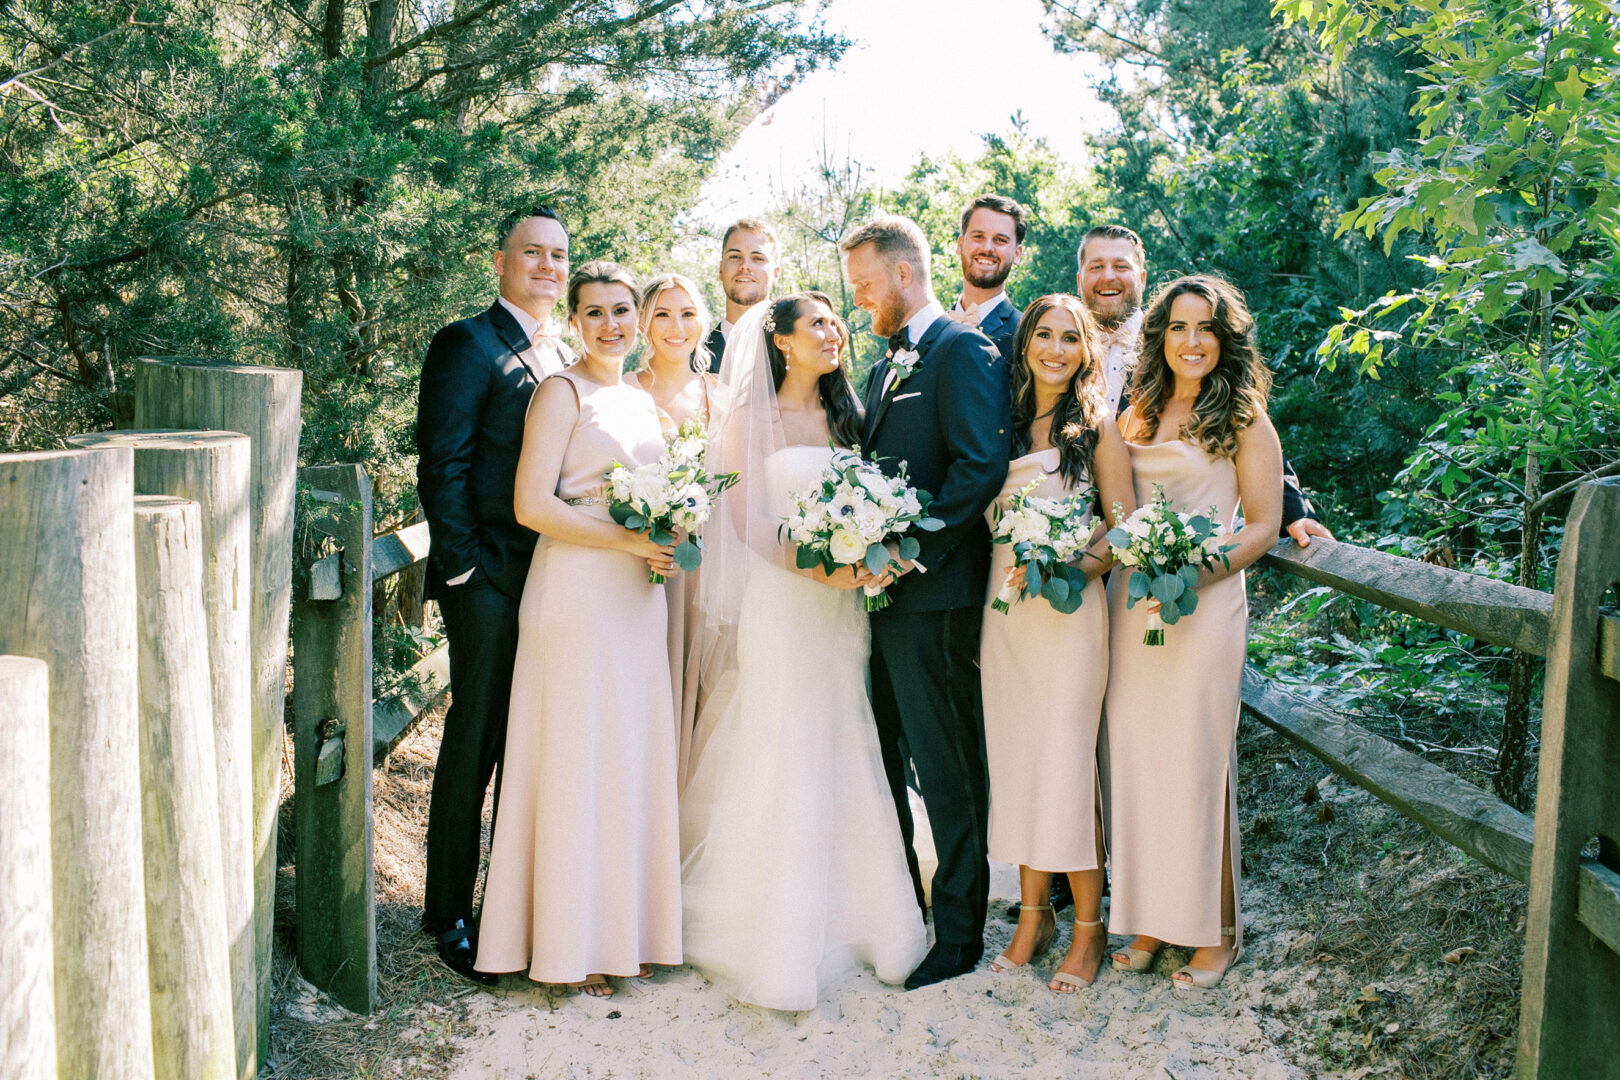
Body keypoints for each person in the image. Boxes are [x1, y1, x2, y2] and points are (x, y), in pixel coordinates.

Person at [679, 293, 927, 1011]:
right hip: (784, 604)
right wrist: (831, 567)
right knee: (785, 740)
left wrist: (871, 559)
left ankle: (869, 923)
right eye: (816, 322)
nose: (833, 332)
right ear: (781, 341)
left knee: (846, 735)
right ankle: (780, 938)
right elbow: (749, 525)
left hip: (843, 609)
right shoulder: (745, 422)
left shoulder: (853, 418)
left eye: (835, 322)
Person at [474, 262, 683, 998]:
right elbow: (531, 505)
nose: (610, 325)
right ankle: (567, 942)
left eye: (621, 310)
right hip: (575, 593)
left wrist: (671, 529)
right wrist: (628, 542)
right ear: (573, 321)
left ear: (638, 316)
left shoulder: (639, 400)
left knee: (623, 759)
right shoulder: (559, 392)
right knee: (574, 761)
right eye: (593, 312)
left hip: (636, 599)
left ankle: (622, 930)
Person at [842, 215, 1012, 989]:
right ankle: (904, 907)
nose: (861, 301)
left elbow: (980, 467)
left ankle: (960, 932)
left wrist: (911, 549)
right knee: (886, 757)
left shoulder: (962, 351)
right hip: (878, 602)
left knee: (947, 765)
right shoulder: (884, 368)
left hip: (936, 595)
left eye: (865, 285)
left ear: (903, 275)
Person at [1104, 274, 1283, 991]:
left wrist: (1198, 571)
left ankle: (1217, 930)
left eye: (1205, 327)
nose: (1192, 341)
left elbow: (1264, 525)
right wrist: (1142, 560)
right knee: (1140, 762)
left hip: (1205, 607)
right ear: (1159, 337)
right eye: (1178, 327)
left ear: (1224, 338)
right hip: (1136, 604)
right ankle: (1152, 919)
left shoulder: (1244, 417)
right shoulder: (1135, 415)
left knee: (1197, 764)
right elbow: (1120, 516)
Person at [415, 205, 571, 984]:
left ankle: (507, 906)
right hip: (486, 582)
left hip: (545, 579)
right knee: (473, 742)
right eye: (532, 253)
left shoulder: (559, 353)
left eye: (558, 256)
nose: (547, 266)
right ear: (500, 260)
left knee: (527, 744)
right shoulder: (468, 344)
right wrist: (467, 570)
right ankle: (446, 912)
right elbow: (441, 464)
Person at [980, 294, 1135, 993]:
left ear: (1086, 351)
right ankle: (1031, 915)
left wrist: (1072, 570)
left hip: (1069, 614)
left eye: (1070, 338)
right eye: (1043, 334)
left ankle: (1089, 929)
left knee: (1067, 764)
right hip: (1004, 612)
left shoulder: (1096, 428)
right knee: (1021, 761)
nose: (1055, 348)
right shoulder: (1001, 424)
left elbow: (1123, 525)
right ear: (1025, 344)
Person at [1076, 224, 1332, 547]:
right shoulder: (1061, 351)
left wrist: (1293, 514)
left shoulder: (1175, 344)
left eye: (1121, 266)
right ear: (1080, 279)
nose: (1108, 276)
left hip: (1162, 551)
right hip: (1085, 545)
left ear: (1141, 278)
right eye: (1096, 266)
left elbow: (1245, 424)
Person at [635, 272, 721, 791]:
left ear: (702, 323)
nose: (676, 326)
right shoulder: (620, 391)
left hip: (702, 570)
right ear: (643, 322)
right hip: (635, 561)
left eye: (687, 313)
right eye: (663, 313)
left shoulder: (720, 396)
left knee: (700, 691)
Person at [945, 194, 1026, 360]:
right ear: (960, 244)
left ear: (1017, 254)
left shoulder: (1026, 333)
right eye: (978, 237)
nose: (987, 248)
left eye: (1000, 240)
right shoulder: (933, 326)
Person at [703, 218, 782, 373]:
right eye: (734, 256)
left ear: (775, 273)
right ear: (721, 269)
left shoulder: (797, 348)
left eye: (758, 258)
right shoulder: (692, 355)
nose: (745, 266)